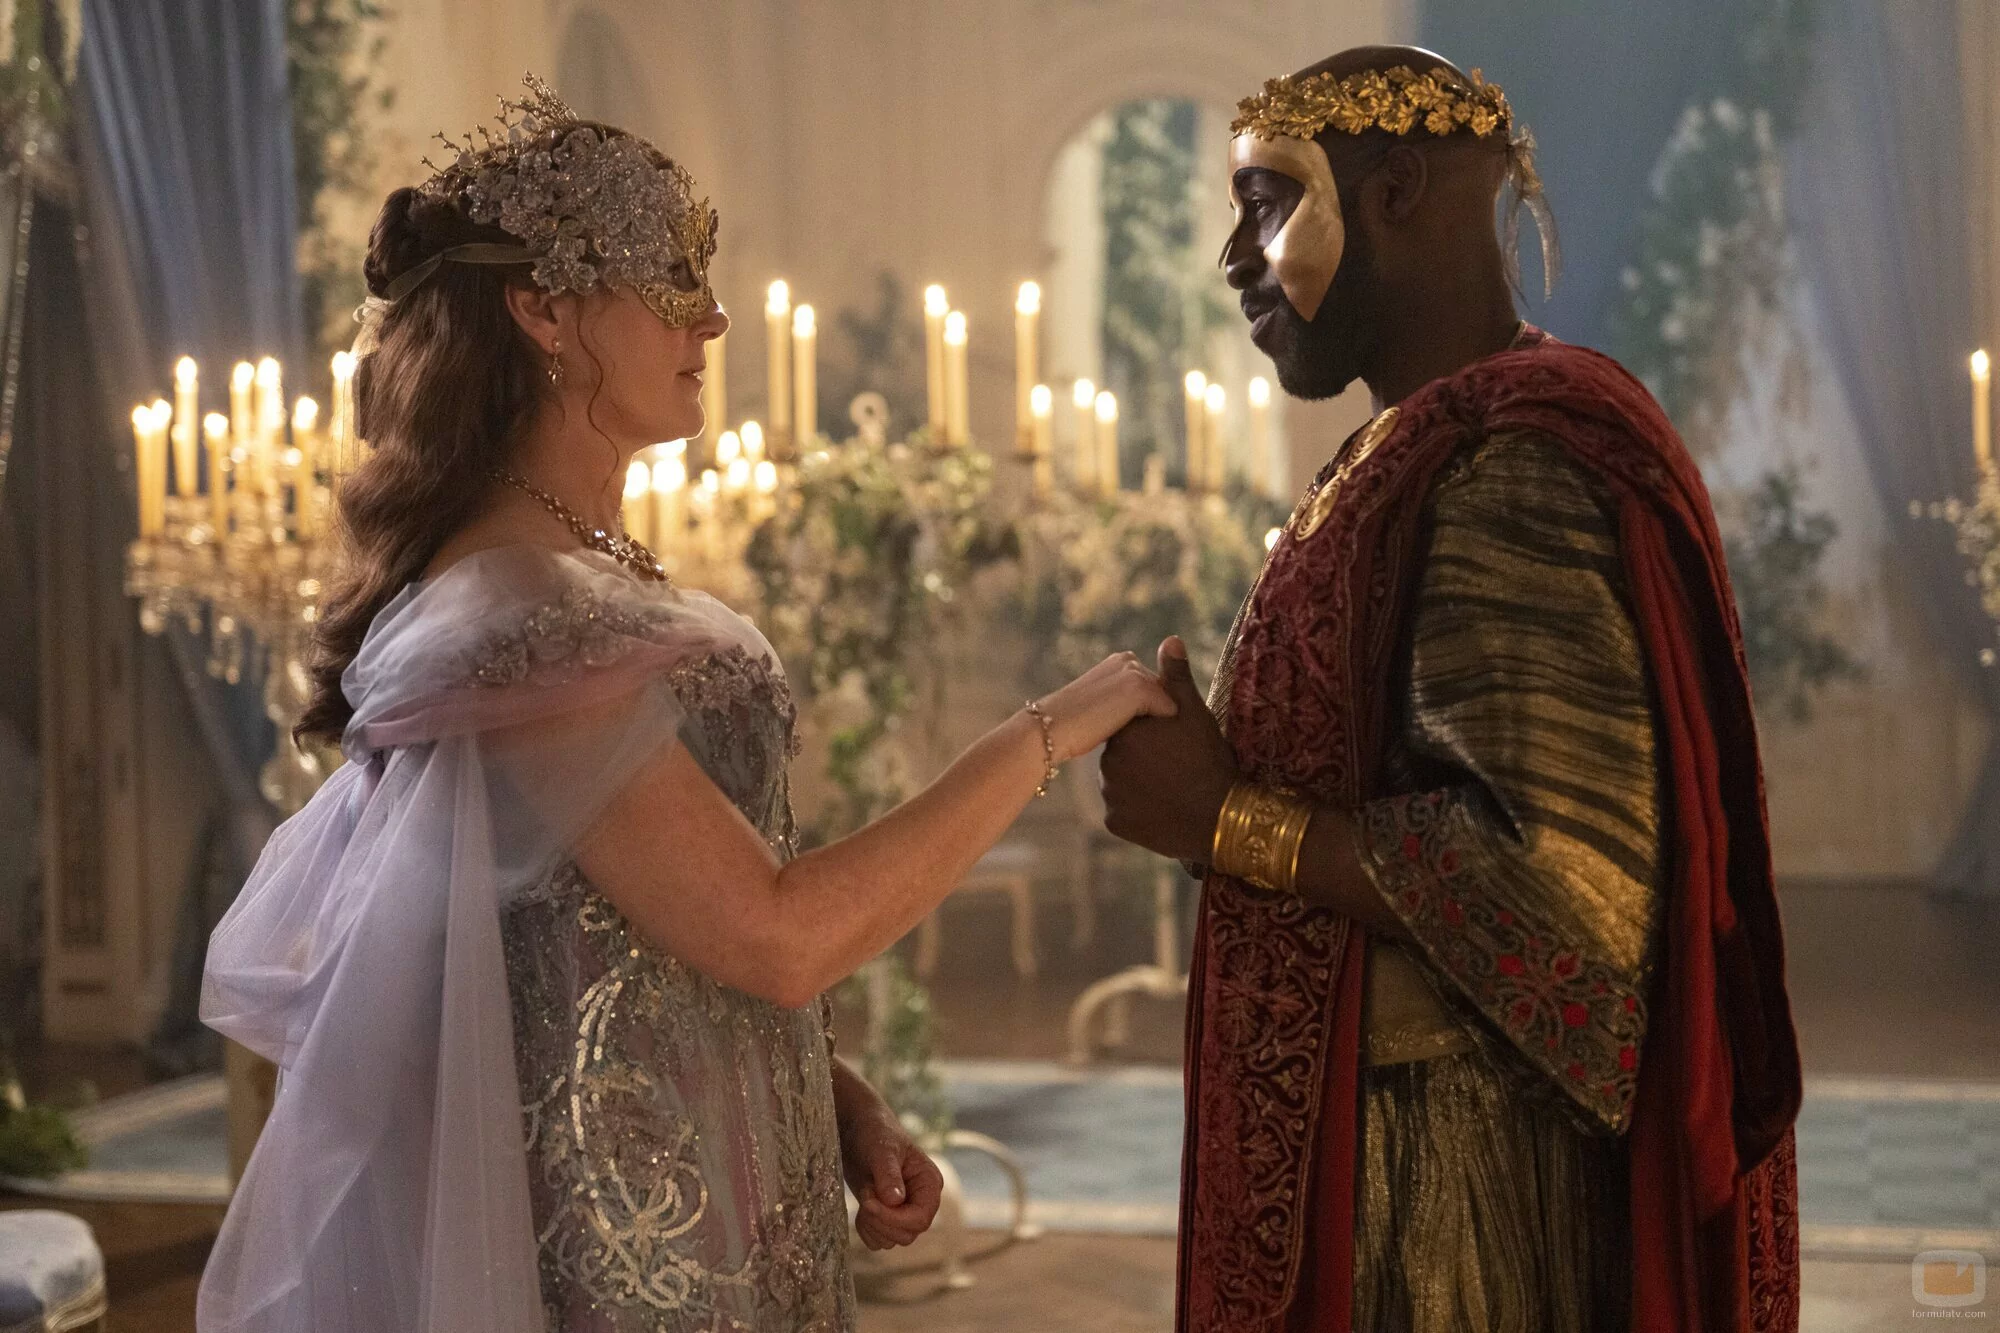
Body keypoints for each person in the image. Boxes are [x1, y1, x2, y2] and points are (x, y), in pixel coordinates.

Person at [196, 77, 1175, 1333]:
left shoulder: (579, 578)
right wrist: (1047, 728)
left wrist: (833, 1097)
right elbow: (774, 932)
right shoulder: (512, 614)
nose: (709, 317)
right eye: (666, 280)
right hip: (619, 1249)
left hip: (724, 1197)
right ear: (543, 308)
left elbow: (637, 934)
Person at [1099, 46, 1801, 1333]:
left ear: (1392, 192)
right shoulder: (1417, 444)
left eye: (1264, 204)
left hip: (1449, 1187)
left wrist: (1224, 818)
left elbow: (1551, 883)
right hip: (1386, 1139)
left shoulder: (1511, 463)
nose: (1233, 258)